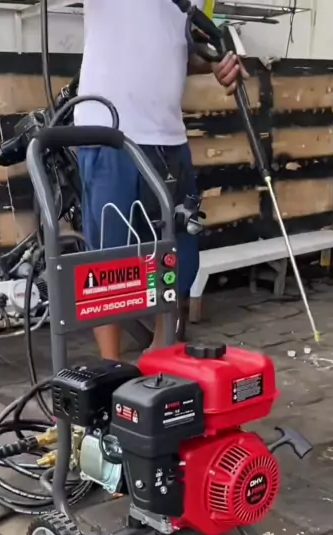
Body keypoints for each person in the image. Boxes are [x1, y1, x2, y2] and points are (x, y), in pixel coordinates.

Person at [74, 0, 245, 361]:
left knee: (178, 254)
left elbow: (184, 46)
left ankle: (161, 356)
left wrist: (215, 62)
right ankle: (110, 368)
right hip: (109, 129)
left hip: (168, 135)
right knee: (109, 262)